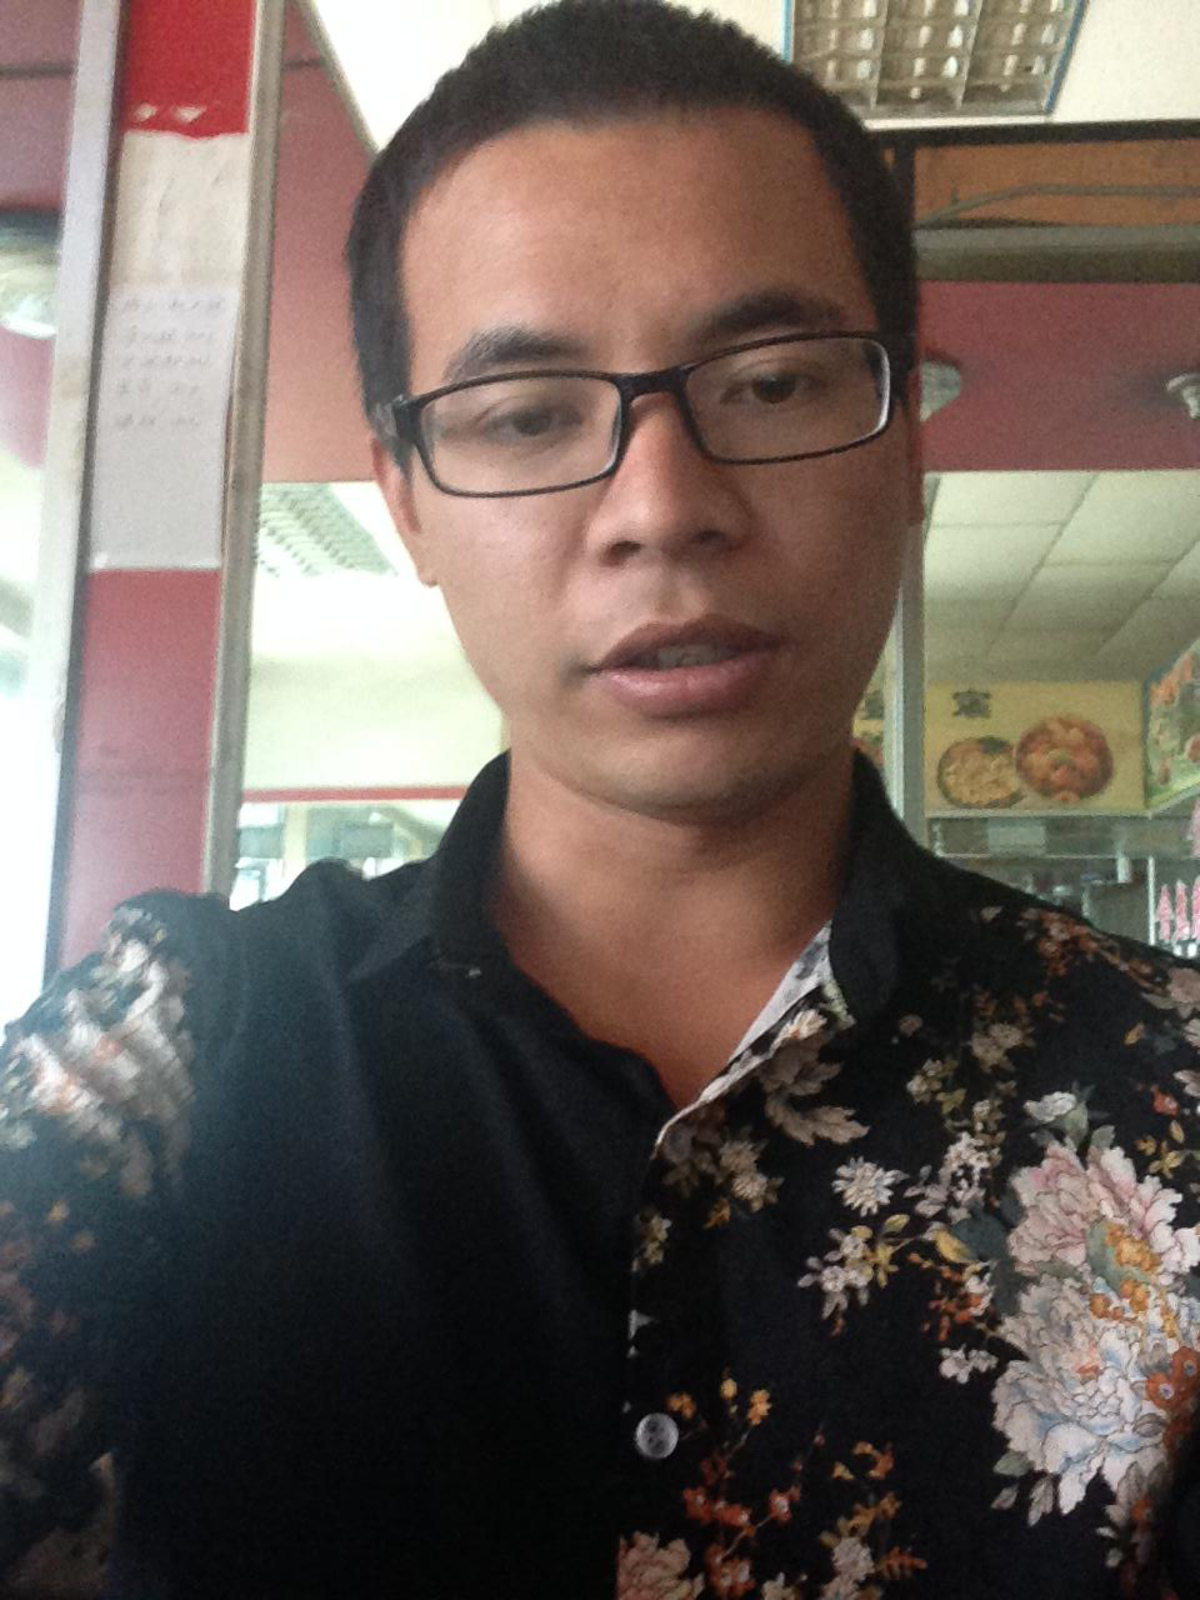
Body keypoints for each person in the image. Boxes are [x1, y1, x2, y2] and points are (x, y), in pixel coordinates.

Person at [1, 2, 1198, 1595]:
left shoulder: (1172, 1091)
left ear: (906, 443)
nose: (662, 505)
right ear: (406, 502)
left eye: (772, 384)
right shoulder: (180, 1047)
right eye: (524, 414)